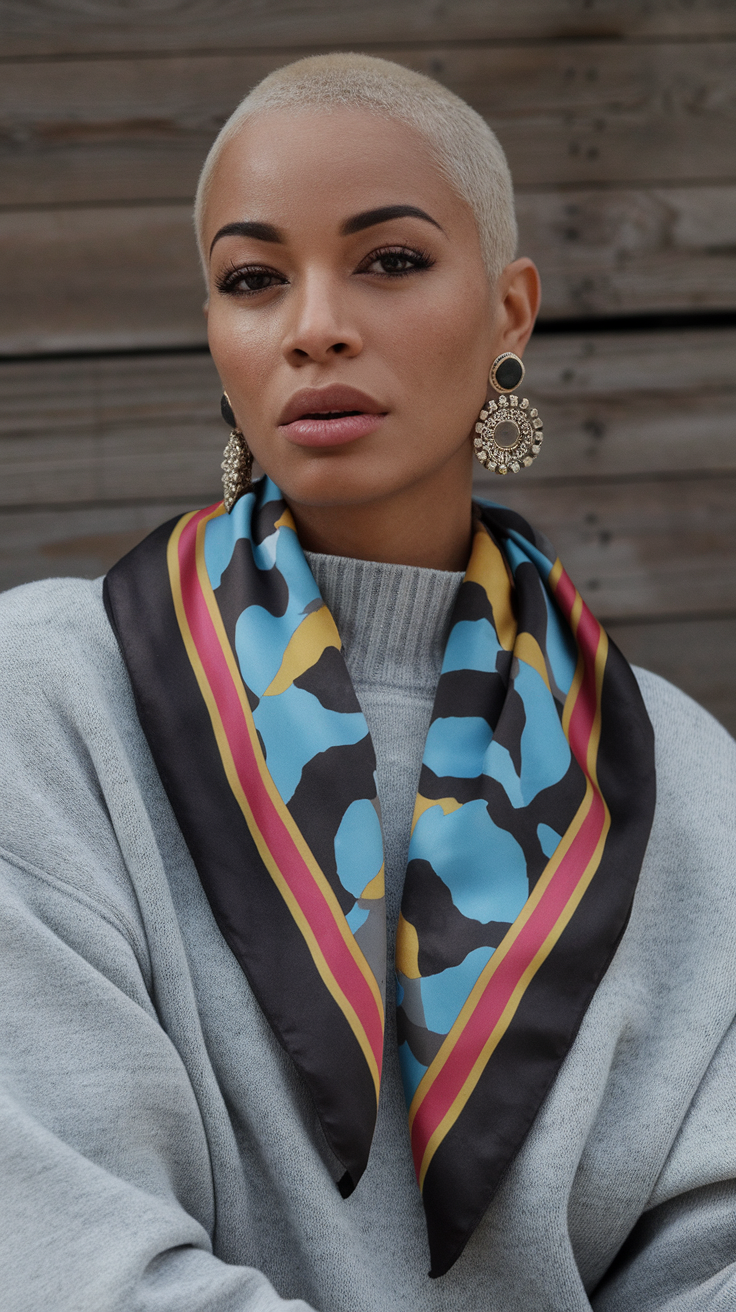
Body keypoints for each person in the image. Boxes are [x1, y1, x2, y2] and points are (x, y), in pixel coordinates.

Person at [1, 52, 735, 1312]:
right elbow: (64, 1249)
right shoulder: (51, 701)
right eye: (252, 278)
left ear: (511, 311)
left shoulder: (685, 778)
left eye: (389, 260)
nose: (313, 323)